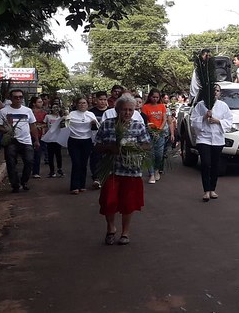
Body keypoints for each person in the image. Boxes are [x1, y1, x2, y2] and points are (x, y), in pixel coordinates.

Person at [93, 94, 151, 245]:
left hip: (131, 171)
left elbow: (147, 144)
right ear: (117, 110)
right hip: (111, 170)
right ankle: (111, 228)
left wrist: (133, 148)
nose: (127, 113)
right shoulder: (107, 124)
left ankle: (125, 232)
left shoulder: (138, 125)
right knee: (108, 201)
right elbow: (97, 146)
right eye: (124, 110)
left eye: (130, 110)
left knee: (128, 203)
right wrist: (110, 148)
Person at [190, 83, 233, 202]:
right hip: (204, 138)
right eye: (213, 90)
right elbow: (193, 121)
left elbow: (229, 121)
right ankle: (206, 190)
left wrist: (218, 121)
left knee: (215, 164)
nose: (215, 92)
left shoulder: (223, 106)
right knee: (206, 163)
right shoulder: (200, 105)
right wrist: (204, 117)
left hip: (217, 139)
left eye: (217, 91)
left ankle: (212, 189)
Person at [0, 89, 38, 193]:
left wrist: (36, 140)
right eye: (15, 97)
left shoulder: (27, 110)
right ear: (11, 99)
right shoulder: (4, 111)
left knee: (29, 161)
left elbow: (33, 125)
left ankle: (24, 181)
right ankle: (15, 185)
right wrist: (6, 130)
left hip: (26, 141)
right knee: (11, 163)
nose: (18, 99)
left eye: (20, 97)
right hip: (11, 141)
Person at [65, 96, 100, 194]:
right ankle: (74, 186)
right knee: (76, 163)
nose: (82, 105)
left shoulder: (90, 114)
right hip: (74, 140)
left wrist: (94, 124)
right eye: (80, 103)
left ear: (87, 104)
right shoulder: (72, 114)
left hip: (86, 141)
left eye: (84, 103)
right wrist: (65, 117)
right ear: (76, 104)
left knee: (84, 163)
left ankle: (82, 185)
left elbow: (97, 128)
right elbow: (65, 125)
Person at [141, 89, 173, 184]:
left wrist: (159, 130)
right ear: (150, 97)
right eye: (153, 97)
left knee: (159, 154)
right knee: (150, 154)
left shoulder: (162, 106)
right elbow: (145, 121)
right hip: (149, 133)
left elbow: (164, 119)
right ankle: (151, 173)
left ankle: (156, 170)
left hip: (160, 133)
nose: (155, 99)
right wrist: (151, 130)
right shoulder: (145, 107)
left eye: (157, 97)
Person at [44, 100, 66, 178]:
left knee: (58, 155)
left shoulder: (61, 117)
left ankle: (59, 169)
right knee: (50, 155)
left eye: (57, 107)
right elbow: (45, 126)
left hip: (58, 138)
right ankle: (52, 171)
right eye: (54, 107)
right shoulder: (48, 116)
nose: (55, 109)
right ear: (51, 108)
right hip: (50, 138)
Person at [29, 96, 48, 178]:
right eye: (39, 102)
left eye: (41, 101)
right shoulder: (29, 112)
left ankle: (35, 172)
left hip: (41, 134)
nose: (41, 103)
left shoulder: (44, 113)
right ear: (34, 103)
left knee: (38, 153)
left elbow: (46, 124)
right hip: (29, 134)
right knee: (29, 153)